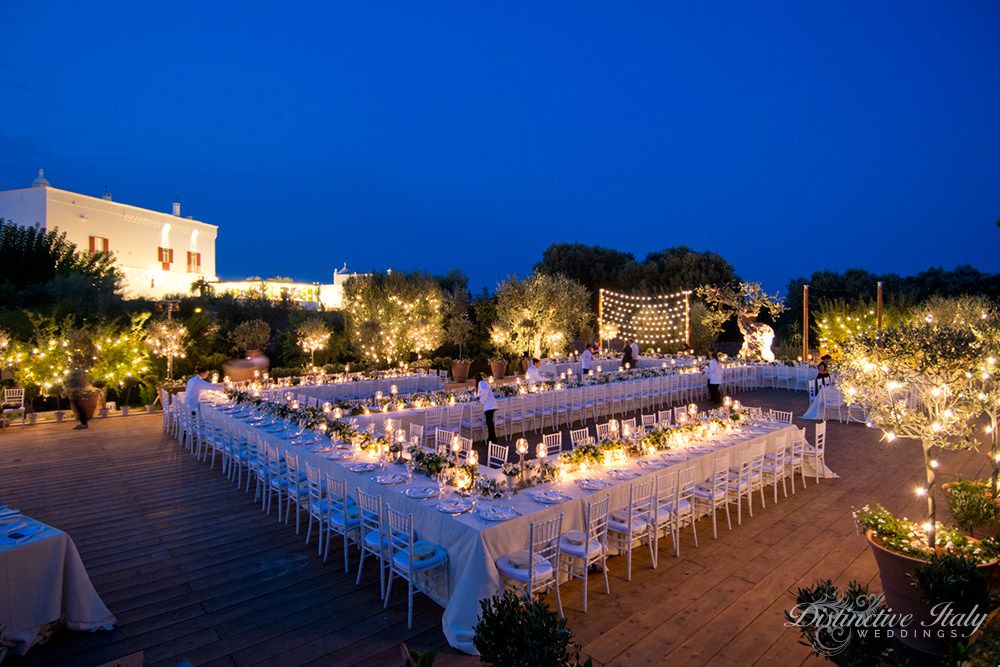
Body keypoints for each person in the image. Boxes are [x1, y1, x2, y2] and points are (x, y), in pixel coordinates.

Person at [477, 372, 498, 443]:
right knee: (490, 423)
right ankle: (491, 438)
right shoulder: (484, 382)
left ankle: (492, 439)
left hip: (489, 405)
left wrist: (481, 401)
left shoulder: (480, 382)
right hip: (491, 404)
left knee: (489, 423)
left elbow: (485, 392)